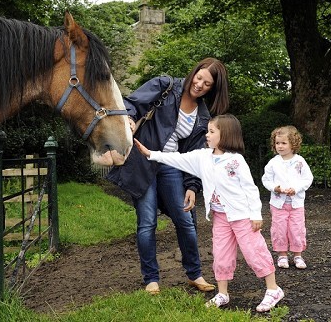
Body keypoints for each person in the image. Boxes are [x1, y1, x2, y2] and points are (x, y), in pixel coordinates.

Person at [134, 115, 284, 312]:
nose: (207, 134)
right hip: (220, 217)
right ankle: (222, 293)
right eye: (208, 131)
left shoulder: (236, 160)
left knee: (253, 251)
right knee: (221, 253)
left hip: (242, 216)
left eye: (212, 131)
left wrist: (256, 214)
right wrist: (151, 154)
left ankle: (273, 289)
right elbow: (178, 158)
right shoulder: (202, 157)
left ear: (226, 135)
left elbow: (250, 188)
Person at [107, 58, 230, 295]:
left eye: (207, 84)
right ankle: (151, 279)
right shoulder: (166, 86)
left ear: (213, 88)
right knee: (147, 222)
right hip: (143, 161)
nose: (200, 84)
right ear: (193, 72)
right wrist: (130, 119)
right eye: (199, 77)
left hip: (170, 165)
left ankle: (195, 274)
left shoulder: (203, 116)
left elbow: (196, 156)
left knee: (186, 220)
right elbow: (131, 102)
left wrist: (192, 187)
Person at [261, 126, 313, 269]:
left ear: (293, 144)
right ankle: (282, 255)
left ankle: (298, 255)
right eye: (277, 143)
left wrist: (296, 189)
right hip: (278, 204)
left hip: (296, 204)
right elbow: (266, 180)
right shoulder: (273, 162)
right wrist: (275, 188)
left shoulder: (300, 161)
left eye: (284, 143)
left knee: (297, 228)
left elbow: (307, 179)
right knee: (279, 229)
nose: (280, 146)